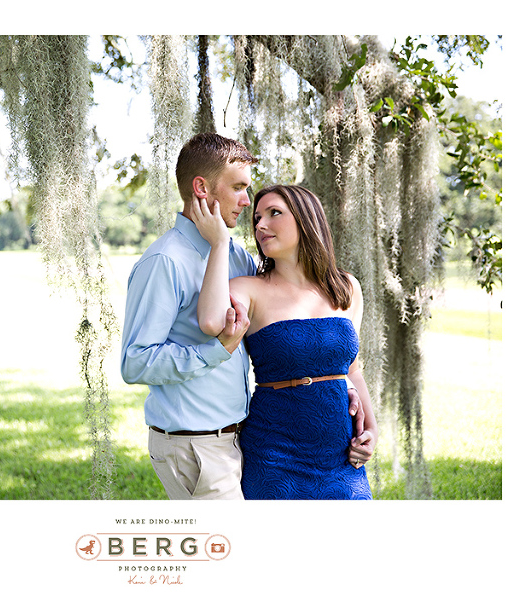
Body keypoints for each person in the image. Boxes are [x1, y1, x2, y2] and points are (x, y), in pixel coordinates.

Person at [120, 133, 364, 500]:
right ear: (201, 188)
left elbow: (283, 329)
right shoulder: (165, 262)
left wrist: (339, 384)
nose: (247, 203)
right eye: (237, 187)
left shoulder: (236, 258)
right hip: (194, 444)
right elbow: (135, 363)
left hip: (241, 437)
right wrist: (215, 350)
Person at [192, 184, 377, 499]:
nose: (261, 225)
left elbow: (353, 370)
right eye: (257, 218)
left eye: (274, 213)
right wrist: (220, 242)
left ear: (306, 220)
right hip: (274, 453)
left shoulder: (346, 287)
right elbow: (211, 322)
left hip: (340, 456)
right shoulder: (249, 289)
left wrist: (371, 430)